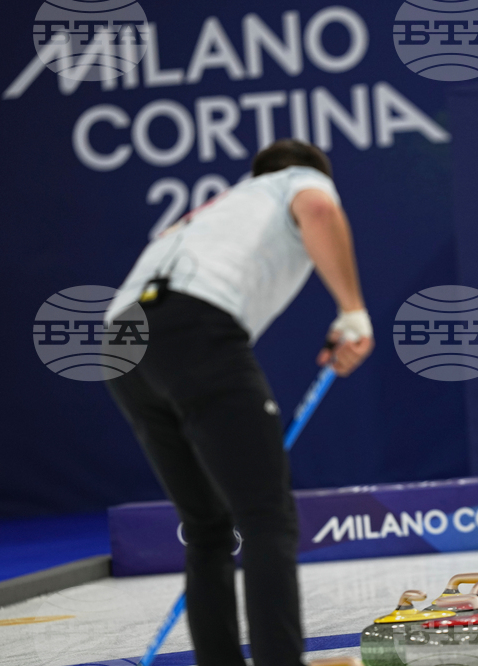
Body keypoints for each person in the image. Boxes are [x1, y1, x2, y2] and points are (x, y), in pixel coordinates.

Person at [104, 139, 374, 666]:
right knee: (266, 517)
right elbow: (319, 209)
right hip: (194, 328)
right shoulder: (297, 179)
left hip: (122, 345)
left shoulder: (208, 211)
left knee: (207, 527)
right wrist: (353, 311)